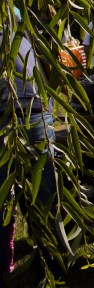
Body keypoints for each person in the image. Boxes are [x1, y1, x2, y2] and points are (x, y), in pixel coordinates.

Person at [0, 32, 57, 283]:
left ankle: (44, 262)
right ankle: (51, 263)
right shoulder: (21, 29)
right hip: (34, 110)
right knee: (43, 194)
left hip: (24, 110)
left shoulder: (19, 29)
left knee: (11, 195)